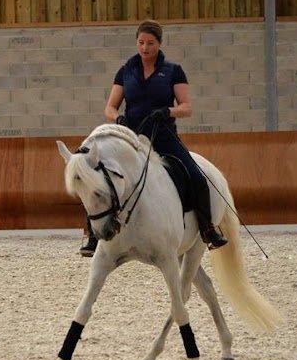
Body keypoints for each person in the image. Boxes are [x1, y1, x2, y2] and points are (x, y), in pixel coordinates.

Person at [81, 19, 227, 256]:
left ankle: (208, 229)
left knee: (196, 177)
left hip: (163, 138)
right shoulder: (126, 71)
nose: (145, 48)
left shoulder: (173, 71)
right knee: (97, 174)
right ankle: (92, 236)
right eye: (141, 43)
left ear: (159, 43)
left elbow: (187, 107)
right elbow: (110, 107)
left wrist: (168, 111)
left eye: (150, 43)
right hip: (131, 140)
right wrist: (117, 119)